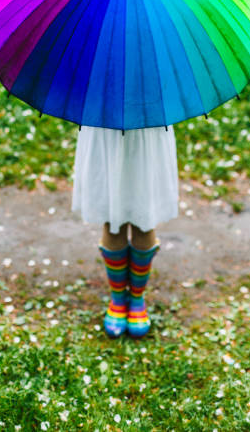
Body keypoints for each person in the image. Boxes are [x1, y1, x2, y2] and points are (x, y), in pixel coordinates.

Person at [72, 124, 179, 338]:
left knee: (144, 221)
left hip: (148, 128)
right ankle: (118, 297)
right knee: (112, 222)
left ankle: (137, 296)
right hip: (104, 127)